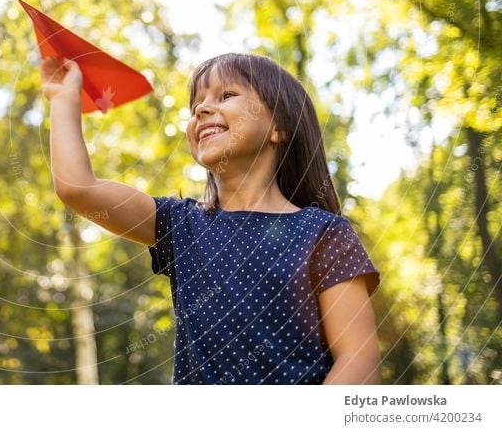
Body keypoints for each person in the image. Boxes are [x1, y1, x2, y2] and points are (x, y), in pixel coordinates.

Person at [41, 52, 381, 385]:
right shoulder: (180, 226)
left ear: (278, 126)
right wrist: (64, 97)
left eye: (227, 95)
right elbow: (78, 188)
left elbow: (358, 359)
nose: (201, 110)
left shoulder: (324, 233)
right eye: (195, 106)